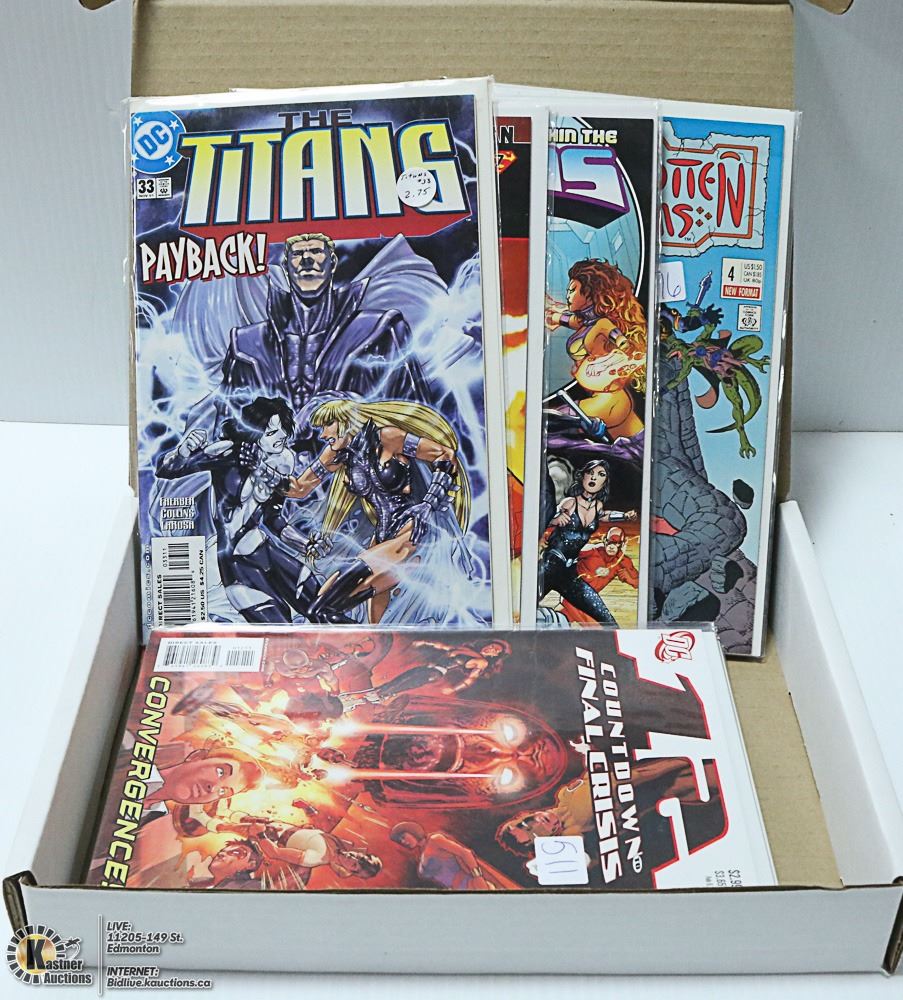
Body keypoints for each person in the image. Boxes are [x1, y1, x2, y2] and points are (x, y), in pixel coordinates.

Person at [285, 394, 471, 623]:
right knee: (332, 611)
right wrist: (264, 472)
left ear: (345, 422)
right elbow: (300, 488)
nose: (323, 434)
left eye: (327, 425)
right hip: (383, 535)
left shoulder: (387, 437)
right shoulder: (336, 453)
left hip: (412, 530)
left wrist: (427, 504)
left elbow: (445, 454)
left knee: (324, 606)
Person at [156, 395, 334, 623]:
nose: (280, 436)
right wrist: (183, 451)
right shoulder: (229, 453)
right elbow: (168, 470)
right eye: (271, 432)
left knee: (322, 606)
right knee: (278, 627)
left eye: (282, 430)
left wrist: (306, 544)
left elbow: (273, 519)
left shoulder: (282, 461)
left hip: (267, 551)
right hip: (237, 563)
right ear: (254, 432)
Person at [538, 459, 637, 624]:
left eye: (600, 474)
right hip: (550, 567)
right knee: (518, 607)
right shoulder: (569, 503)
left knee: (607, 620)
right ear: (582, 477)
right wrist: (554, 520)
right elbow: (544, 520)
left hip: (570, 575)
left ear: (604, 482)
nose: (593, 477)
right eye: (590, 473)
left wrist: (624, 516)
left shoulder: (598, 506)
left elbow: (605, 515)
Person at [390, 821, 496, 890]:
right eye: (400, 840)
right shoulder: (421, 856)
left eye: (403, 837)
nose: (403, 841)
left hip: (471, 885)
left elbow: (465, 853)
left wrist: (478, 878)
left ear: (413, 831)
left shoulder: (435, 840)